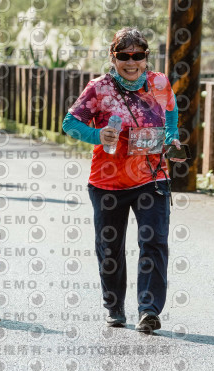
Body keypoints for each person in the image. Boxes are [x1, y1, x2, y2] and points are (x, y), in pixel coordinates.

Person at [62, 27, 182, 334]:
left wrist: (172, 136)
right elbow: (69, 123)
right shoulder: (99, 88)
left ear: (146, 57)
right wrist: (97, 135)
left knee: (154, 241)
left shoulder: (159, 82)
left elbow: (171, 111)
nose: (131, 62)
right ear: (113, 57)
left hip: (152, 175)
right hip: (108, 182)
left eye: (137, 55)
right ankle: (114, 307)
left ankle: (148, 310)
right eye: (124, 56)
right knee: (110, 248)